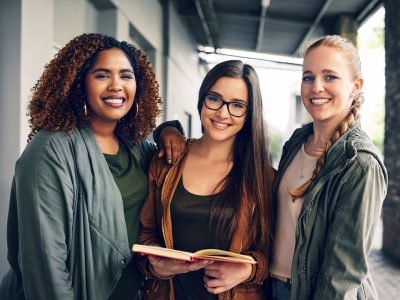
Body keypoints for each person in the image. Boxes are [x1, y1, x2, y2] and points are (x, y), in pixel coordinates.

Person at [0, 33, 185, 300]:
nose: (116, 86)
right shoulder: (50, 150)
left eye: (126, 75)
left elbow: (168, 158)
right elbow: (44, 265)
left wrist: (168, 129)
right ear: (78, 84)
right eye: (101, 75)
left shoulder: (135, 147)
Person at [138, 60, 275, 300]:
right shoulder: (166, 162)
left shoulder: (264, 178)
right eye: (215, 99)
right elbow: (146, 231)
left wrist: (248, 269)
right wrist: (155, 264)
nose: (223, 113)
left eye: (237, 105)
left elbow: (275, 252)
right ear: (202, 99)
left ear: (249, 114)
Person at [269, 35, 387, 300]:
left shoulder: (360, 164)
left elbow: (342, 274)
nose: (316, 87)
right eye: (308, 77)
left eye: (330, 77)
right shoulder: (296, 142)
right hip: (274, 288)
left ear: (356, 86)